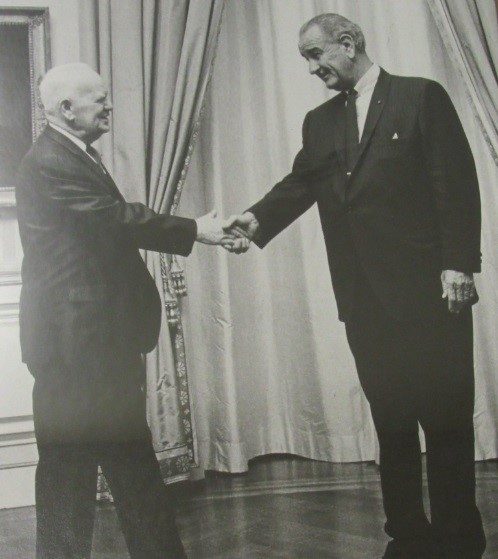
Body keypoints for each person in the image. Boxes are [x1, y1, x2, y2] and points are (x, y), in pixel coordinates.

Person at [224, 13, 485, 559]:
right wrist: (255, 218)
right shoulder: (319, 123)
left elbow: (456, 182)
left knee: (444, 421)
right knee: (391, 422)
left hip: (432, 295)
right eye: (305, 60)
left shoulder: (421, 97)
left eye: (317, 55)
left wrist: (459, 264)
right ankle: (408, 537)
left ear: (349, 44)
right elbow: (300, 183)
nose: (314, 69)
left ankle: (460, 541)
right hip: (363, 303)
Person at [15, 62, 245, 559]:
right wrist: (195, 230)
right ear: (67, 109)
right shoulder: (51, 160)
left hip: (89, 342)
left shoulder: (69, 154)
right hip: (77, 346)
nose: (109, 106)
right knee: (81, 473)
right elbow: (115, 220)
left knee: (116, 467)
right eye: (99, 99)